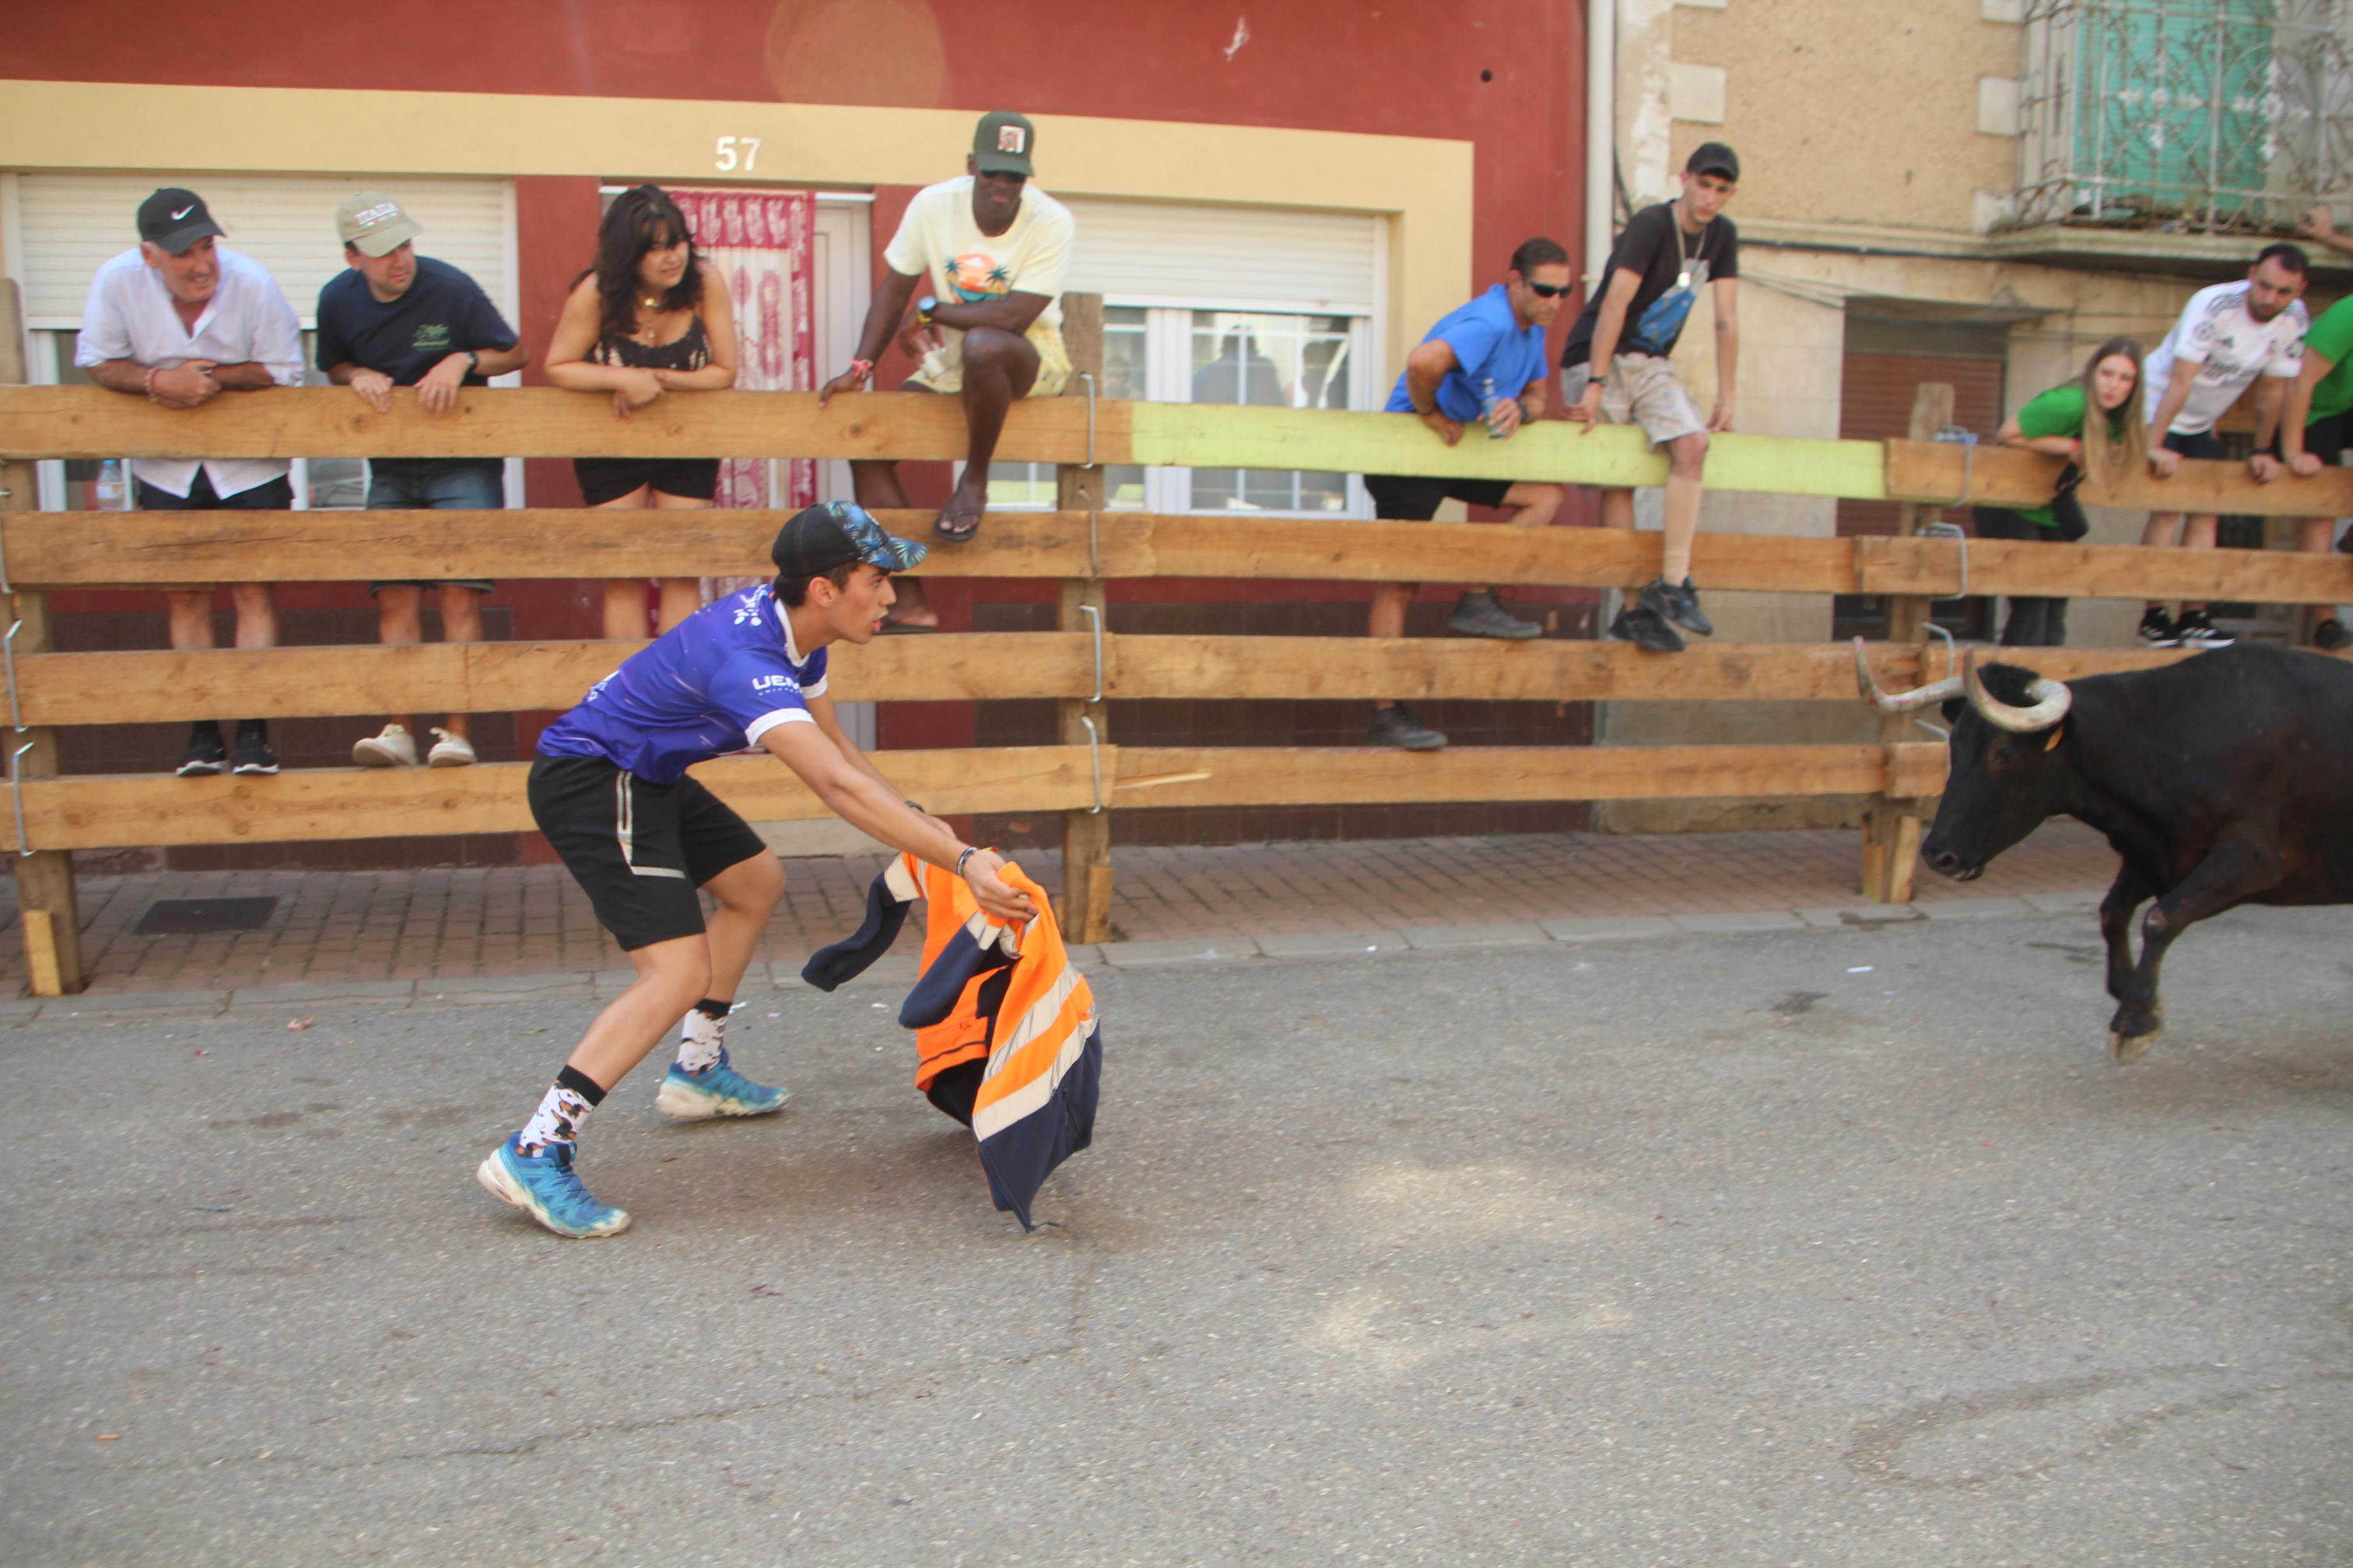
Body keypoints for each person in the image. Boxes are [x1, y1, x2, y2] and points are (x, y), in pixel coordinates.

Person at [477, 501, 1038, 1239]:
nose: (894, 595)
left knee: (754, 882)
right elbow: (831, 788)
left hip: (646, 774)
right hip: (591, 780)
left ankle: (698, 1069)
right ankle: (536, 1146)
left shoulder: (802, 637)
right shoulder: (748, 664)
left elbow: (840, 753)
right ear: (826, 589)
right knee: (673, 973)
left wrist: (926, 832)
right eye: (879, 578)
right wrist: (962, 861)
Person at [817, 110, 1074, 631]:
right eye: (992, 173)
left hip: (1033, 354)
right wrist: (860, 366)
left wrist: (932, 310)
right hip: (957, 361)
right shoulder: (934, 205)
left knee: (985, 344)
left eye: (1016, 177)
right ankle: (909, 599)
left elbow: (1014, 317)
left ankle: (974, 482)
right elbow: (894, 290)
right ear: (971, 165)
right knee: (866, 449)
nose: (1003, 186)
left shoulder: (1051, 221)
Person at [75, 189, 302, 777]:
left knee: (253, 592)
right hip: (164, 463)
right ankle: (203, 732)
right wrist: (157, 381)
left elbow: (284, 368)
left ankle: (254, 734)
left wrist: (211, 378)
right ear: (150, 256)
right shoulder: (116, 281)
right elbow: (98, 360)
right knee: (185, 593)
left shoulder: (251, 282)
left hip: (251, 462)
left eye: (207, 246)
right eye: (184, 254)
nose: (202, 264)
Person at [315, 192, 529, 768]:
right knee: (394, 598)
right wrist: (356, 373)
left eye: (405, 244)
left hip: (463, 461)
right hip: (388, 465)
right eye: (384, 251)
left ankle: (455, 735)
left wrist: (462, 360)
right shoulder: (337, 300)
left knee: (460, 597)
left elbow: (514, 351)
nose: (400, 259)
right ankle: (397, 729)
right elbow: (330, 363)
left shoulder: (449, 287)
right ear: (352, 257)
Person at [1354, 237, 1571, 751]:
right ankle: (1384, 712)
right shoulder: (1491, 322)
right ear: (1515, 281)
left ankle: (1476, 596)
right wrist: (1428, 412)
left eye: (1563, 293)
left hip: (1455, 451)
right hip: (1409, 452)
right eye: (1545, 290)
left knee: (1544, 497)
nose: (1555, 303)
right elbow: (1423, 363)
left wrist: (1523, 408)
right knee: (1401, 584)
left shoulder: (1532, 326)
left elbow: (1540, 394)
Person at [1561, 142, 1742, 654]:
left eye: (1721, 189)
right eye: (1703, 185)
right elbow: (1615, 303)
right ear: (1683, 178)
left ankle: (1674, 583)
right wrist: (1595, 382)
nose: (1708, 198)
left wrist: (1728, 395)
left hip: (1651, 361)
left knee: (1692, 444)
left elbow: (1726, 317)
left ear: (1731, 194)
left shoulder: (1722, 236)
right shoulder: (1651, 225)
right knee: (1618, 483)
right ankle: (1634, 611)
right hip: (1599, 353)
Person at [546, 185, 739, 642]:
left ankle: (674, 700)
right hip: (612, 437)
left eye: (676, 242)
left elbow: (724, 371)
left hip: (688, 437)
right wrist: (621, 379)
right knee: (624, 571)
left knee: (681, 569)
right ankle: (630, 703)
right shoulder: (596, 291)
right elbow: (558, 366)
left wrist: (657, 381)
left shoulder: (704, 281)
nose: (671, 257)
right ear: (627, 254)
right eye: (653, 249)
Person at [2133, 243, 2309, 650]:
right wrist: (2153, 443)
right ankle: (2154, 615)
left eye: (2283, 291)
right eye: (2263, 286)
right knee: (2167, 506)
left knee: (2207, 511)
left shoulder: (2294, 320)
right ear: (2251, 274)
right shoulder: (2213, 304)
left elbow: (2273, 388)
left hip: (2202, 420)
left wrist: (2262, 450)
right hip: (2157, 405)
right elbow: (2180, 379)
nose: (2269, 298)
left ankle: (2195, 614)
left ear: (2299, 289)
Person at [1971, 339, 2148, 648]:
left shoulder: (2120, 419)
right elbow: (2008, 433)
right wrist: (2071, 447)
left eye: (2125, 379)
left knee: (2056, 602)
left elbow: (2118, 451)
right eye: (2107, 374)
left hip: (2051, 509)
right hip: (2007, 504)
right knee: (2032, 604)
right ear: (2092, 372)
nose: (2113, 386)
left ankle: (2051, 686)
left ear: (2135, 386)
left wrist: (2150, 453)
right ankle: (2013, 690)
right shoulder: (2068, 403)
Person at [2256, 287, 2353, 650]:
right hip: (2309, 410)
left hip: (2344, 407)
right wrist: (2294, 452)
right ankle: (2325, 621)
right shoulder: (2350, 314)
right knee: (2322, 503)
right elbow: (2301, 381)